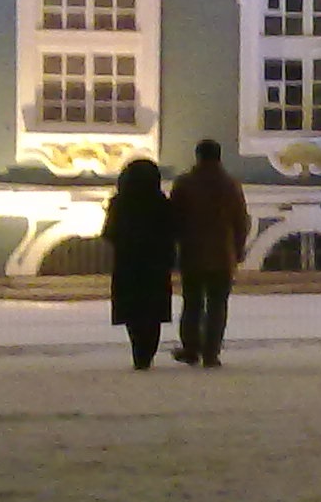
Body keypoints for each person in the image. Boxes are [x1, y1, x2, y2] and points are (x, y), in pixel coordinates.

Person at [169, 139, 250, 368]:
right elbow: (241, 221)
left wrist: (175, 246)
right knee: (217, 305)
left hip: (192, 252)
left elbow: (174, 219)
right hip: (222, 253)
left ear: (198, 156)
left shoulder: (184, 183)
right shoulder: (230, 184)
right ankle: (211, 352)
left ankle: (191, 348)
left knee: (192, 302)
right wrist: (238, 249)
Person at [100, 157, 175, 370]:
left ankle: (139, 352)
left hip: (128, 263)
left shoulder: (119, 204)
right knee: (153, 312)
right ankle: (147, 353)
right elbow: (173, 230)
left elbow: (109, 233)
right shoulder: (161, 203)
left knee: (132, 311)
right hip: (156, 265)